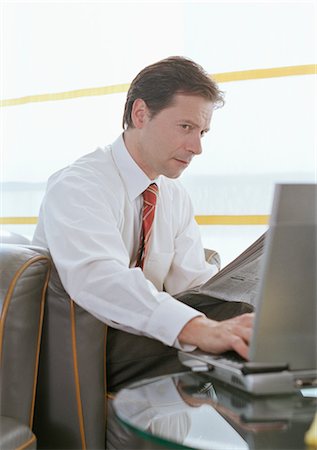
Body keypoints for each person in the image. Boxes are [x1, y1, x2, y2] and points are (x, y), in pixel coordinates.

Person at [33, 56, 254, 393]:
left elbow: (194, 282)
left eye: (202, 132)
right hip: (89, 346)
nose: (197, 147)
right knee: (238, 341)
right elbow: (99, 279)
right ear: (140, 114)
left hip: (141, 335)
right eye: (186, 127)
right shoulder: (79, 185)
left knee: (251, 319)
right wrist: (199, 327)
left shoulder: (173, 195)